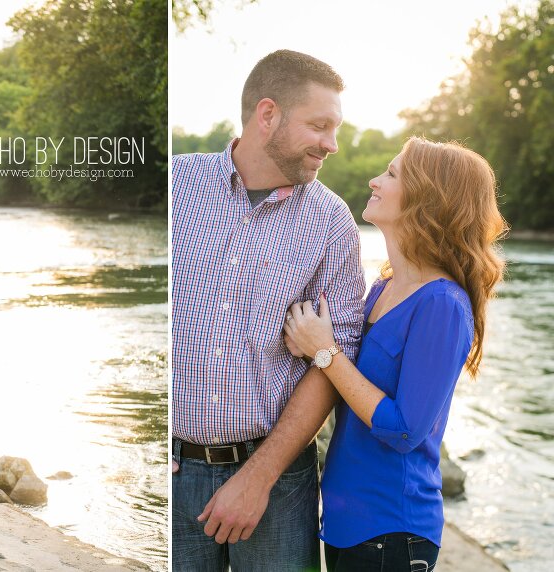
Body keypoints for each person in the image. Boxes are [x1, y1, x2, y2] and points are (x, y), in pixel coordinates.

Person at [172, 49, 365, 570]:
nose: (332, 144)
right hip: (171, 475)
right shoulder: (175, 187)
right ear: (267, 114)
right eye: (320, 126)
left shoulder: (333, 222)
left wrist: (258, 476)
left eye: (335, 128)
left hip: (280, 483)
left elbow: (335, 358)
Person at [283, 137, 507, 571]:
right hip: (348, 523)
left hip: (393, 531)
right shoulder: (382, 289)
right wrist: (310, 345)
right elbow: (351, 377)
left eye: (390, 173)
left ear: (427, 198)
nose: (374, 180)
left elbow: (406, 430)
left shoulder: (441, 303)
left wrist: (325, 351)